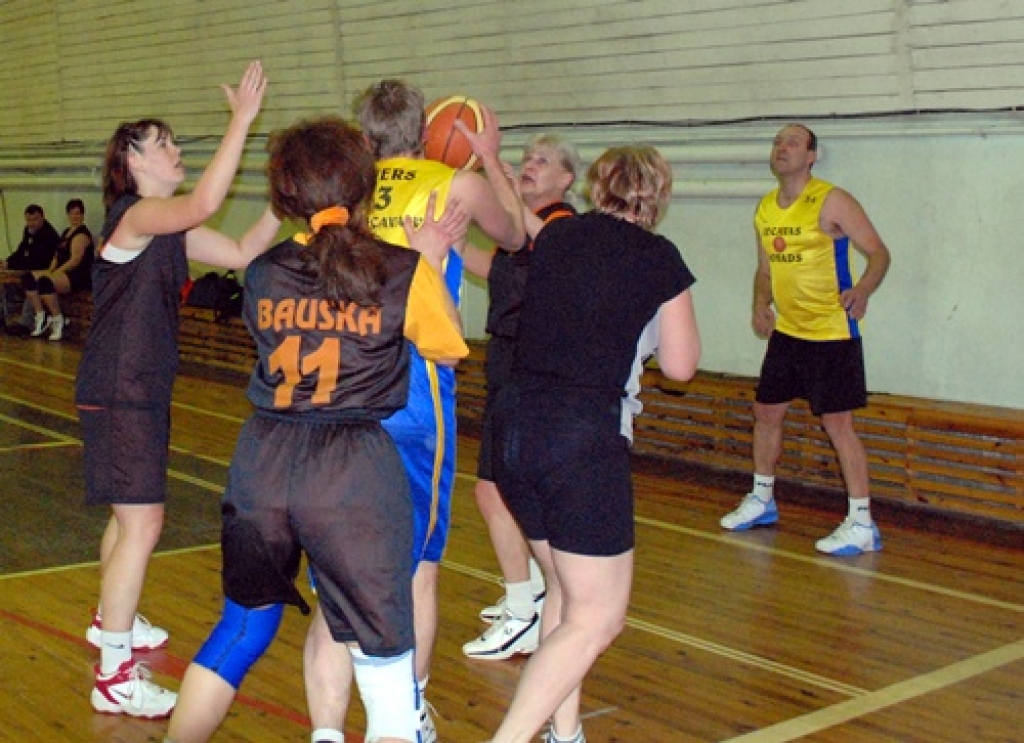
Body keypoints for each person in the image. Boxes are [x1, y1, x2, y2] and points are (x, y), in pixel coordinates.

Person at [164, 116, 469, 743]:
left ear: (285, 196)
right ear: (366, 184)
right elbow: (444, 347)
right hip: (352, 471)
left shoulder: (263, 272)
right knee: (385, 669)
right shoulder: (402, 271)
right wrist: (429, 264)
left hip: (262, 463)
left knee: (240, 629)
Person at [301, 78, 525, 743]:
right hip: (413, 392)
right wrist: (485, 157)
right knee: (417, 568)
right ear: (428, 128)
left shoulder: (346, 195)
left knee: (338, 578)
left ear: (361, 135)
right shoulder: (453, 185)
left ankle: (326, 730)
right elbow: (515, 235)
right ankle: (408, 715)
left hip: (337, 390)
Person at [76, 61, 277, 719]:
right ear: (131, 162)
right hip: (122, 386)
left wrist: (290, 199)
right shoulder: (133, 218)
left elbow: (247, 250)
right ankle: (113, 676)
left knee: (127, 518)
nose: (175, 150)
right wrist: (241, 121)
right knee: (144, 521)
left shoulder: (169, 227)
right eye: (162, 143)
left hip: (135, 387)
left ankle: (113, 619)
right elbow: (204, 202)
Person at [489, 145, 701, 743]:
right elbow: (682, 368)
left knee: (564, 591)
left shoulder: (560, 237)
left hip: (513, 426)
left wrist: (490, 161)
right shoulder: (660, 258)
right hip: (579, 438)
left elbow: (521, 228)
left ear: (596, 184)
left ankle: (566, 731)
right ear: (658, 196)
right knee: (599, 616)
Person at [719, 123, 891, 556]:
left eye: (792, 143)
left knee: (838, 425)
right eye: (777, 142)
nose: (782, 148)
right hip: (789, 333)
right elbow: (765, 270)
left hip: (832, 332)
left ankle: (861, 521)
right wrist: (761, 304)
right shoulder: (765, 209)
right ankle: (761, 500)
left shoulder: (832, 199)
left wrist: (863, 290)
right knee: (766, 410)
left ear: (812, 155)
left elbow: (879, 253)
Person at [460, 133, 580, 661]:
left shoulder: (560, 224)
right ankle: (533, 590)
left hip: (532, 367)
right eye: (526, 158)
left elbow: (535, 245)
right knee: (506, 490)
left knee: (492, 490)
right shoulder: (518, 232)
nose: (528, 166)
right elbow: (497, 270)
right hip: (507, 360)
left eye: (542, 161)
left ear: (566, 180)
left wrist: (489, 163)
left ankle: (522, 608)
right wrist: (446, 237)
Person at [20, 198, 95, 340]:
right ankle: (40, 315)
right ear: (68, 215)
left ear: (83, 215)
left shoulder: (81, 235)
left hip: (77, 274)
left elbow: (75, 260)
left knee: (45, 282)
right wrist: (50, 270)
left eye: (78, 214)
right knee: (29, 278)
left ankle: (57, 318)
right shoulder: (66, 232)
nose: (75, 217)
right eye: (72, 214)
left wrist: (56, 272)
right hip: (62, 271)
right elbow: (57, 255)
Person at [1, 204, 61, 332]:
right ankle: (7, 317)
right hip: (31, 267)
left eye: (35, 220)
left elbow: (38, 259)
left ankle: (26, 321)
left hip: (46, 268)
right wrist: (8, 262)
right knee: (6, 280)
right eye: (29, 220)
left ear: (42, 218)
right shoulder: (29, 232)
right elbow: (22, 251)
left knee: (30, 281)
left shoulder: (48, 235)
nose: (31, 223)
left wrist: (18, 264)